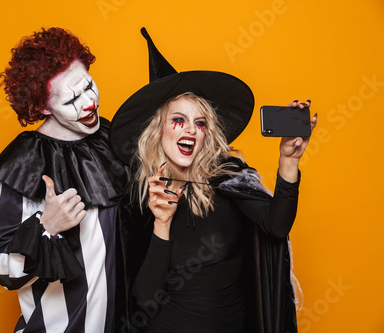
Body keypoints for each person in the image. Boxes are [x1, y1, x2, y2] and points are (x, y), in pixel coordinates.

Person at [110, 28, 316, 333]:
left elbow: (276, 225)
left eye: (200, 123)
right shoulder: (139, 197)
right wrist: (162, 223)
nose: (190, 130)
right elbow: (146, 299)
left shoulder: (229, 178)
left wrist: (289, 160)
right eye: (178, 120)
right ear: (158, 131)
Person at [0, 27, 128, 333]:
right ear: (44, 106)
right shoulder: (24, 161)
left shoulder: (112, 138)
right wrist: (44, 227)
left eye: (88, 86)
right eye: (72, 99)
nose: (89, 103)